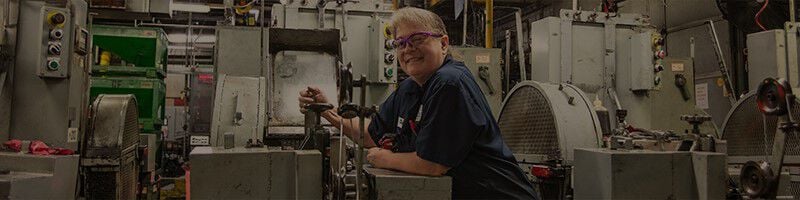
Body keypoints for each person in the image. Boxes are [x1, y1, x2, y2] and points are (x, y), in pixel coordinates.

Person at [298, 7, 538, 199]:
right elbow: (372, 134)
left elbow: (433, 165)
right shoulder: (411, 87)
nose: (407, 49)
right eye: (400, 43)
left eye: (417, 39)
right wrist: (328, 112)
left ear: (443, 44)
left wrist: (382, 158)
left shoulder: (449, 83)